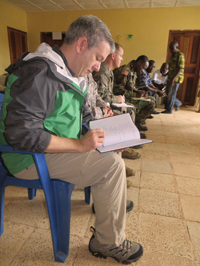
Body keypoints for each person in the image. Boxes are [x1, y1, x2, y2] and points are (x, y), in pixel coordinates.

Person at [0, 15, 143, 264]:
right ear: (81, 44)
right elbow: (21, 135)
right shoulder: (40, 73)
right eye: (98, 58)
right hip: (28, 158)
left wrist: (115, 134)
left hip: (54, 149)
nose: (99, 66)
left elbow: (85, 116)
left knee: (111, 154)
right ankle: (107, 242)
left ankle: (108, 207)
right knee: (110, 167)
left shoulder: (70, 73)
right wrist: (80, 145)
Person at [93, 43, 141, 160]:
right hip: (99, 109)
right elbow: (99, 97)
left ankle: (123, 148)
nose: (122, 59)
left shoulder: (109, 71)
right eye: (121, 56)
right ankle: (119, 153)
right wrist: (117, 99)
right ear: (113, 56)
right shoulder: (102, 72)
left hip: (106, 106)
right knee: (126, 115)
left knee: (129, 110)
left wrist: (116, 98)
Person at [83, 73, 135, 180]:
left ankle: (117, 169)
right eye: (120, 56)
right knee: (109, 127)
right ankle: (110, 173)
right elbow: (83, 109)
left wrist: (105, 106)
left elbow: (96, 96)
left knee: (117, 122)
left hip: (94, 115)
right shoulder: (79, 74)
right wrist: (101, 111)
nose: (97, 68)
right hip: (87, 121)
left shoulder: (88, 74)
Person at [113, 56, 156, 130]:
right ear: (139, 62)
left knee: (152, 100)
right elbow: (117, 90)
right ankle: (132, 128)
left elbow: (131, 88)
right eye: (143, 67)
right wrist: (135, 94)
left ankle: (137, 123)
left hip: (128, 97)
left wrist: (140, 92)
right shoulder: (125, 71)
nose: (143, 71)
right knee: (149, 103)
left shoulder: (134, 71)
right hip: (120, 99)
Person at [162, 41, 185, 113]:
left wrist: (173, 79)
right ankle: (176, 104)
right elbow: (172, 68)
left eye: (172, 48)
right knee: (168, 93)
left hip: (176, 79)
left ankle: (169, 110)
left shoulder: (180, 55)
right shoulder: (172, 55)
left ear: (177, 47)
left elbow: (180, 68)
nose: (171, 50)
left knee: (171, 94)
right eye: (170, 48)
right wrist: (166, 74)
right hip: (171, 77)